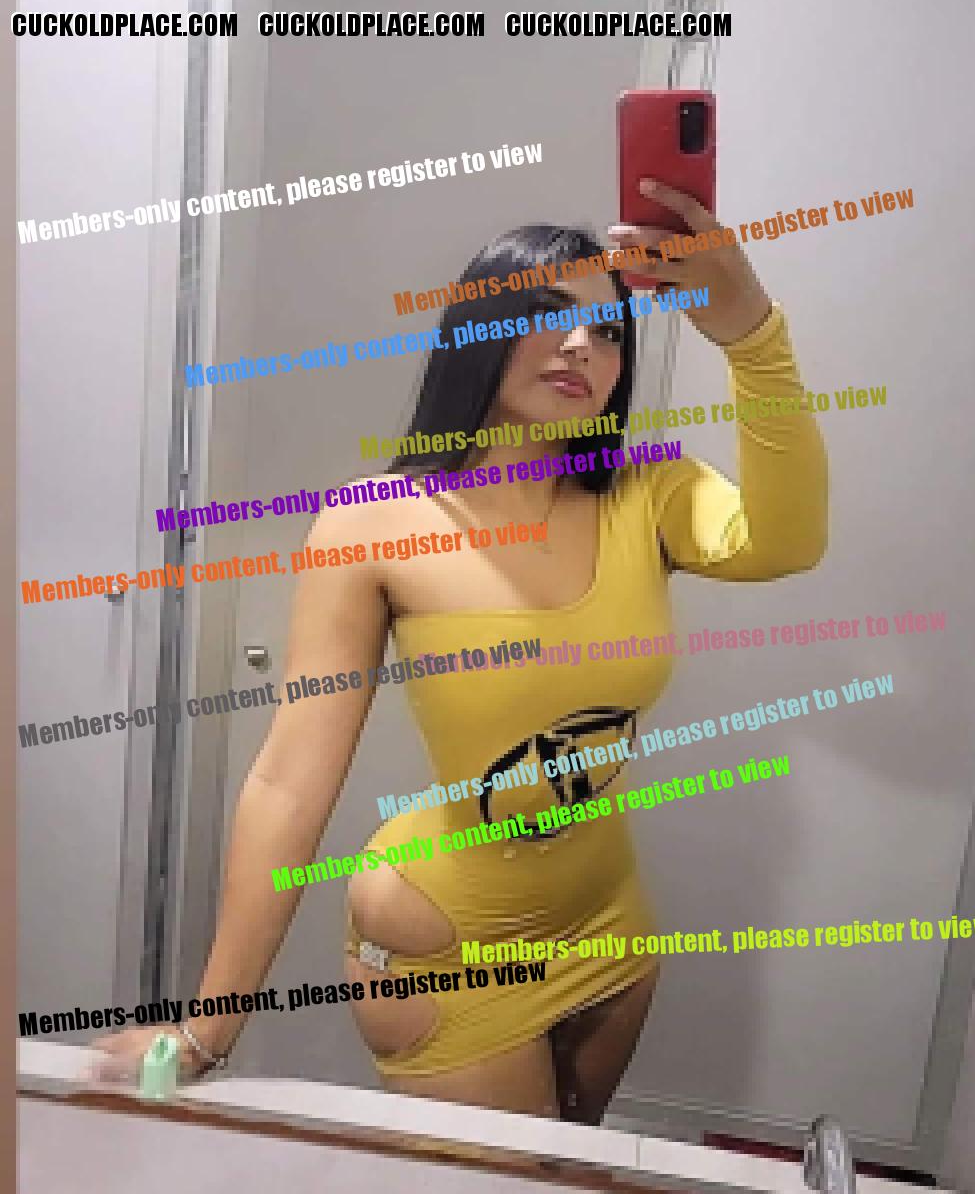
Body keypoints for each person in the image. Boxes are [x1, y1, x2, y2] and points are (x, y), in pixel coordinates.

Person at [94, 181, 828, 1124]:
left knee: (571, 1173)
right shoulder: (374, 526)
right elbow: (287, 782)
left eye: (609, 332)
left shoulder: (651, 492)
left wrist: (750, 330)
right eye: (548, 312)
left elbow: (788, 541)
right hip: (448, 940)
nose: (583, 344)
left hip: (609, 925)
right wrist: (205, 1031)